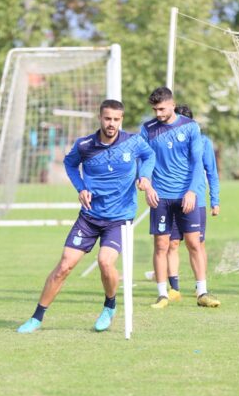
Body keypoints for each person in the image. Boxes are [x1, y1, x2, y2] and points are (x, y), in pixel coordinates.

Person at [17, 100, 156, 334]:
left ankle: (109, 306)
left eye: (116, 119)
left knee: (105, 261)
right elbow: (70, 164)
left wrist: (145, 177)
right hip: (89, 217)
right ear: (100, 118)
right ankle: (36, 318)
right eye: (108, 118)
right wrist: (81, 187)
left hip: (119, 217)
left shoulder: (133, 142)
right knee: (64, 266)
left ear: (121, 120)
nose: (111, 124)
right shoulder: (84, 145)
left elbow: (149, 155)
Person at [140, 87, 220, 308]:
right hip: (160, 196)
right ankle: (163, 294)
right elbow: (144, 158)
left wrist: (192, 191)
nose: (158, 114)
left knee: (195, 243)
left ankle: (202, 292)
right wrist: (146, 183)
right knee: (162, 245)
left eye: (162, 109)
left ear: (172, 105)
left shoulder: (191, 127)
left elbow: (197, 163)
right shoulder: (147, 129)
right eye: (155, 110)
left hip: (186, 195)